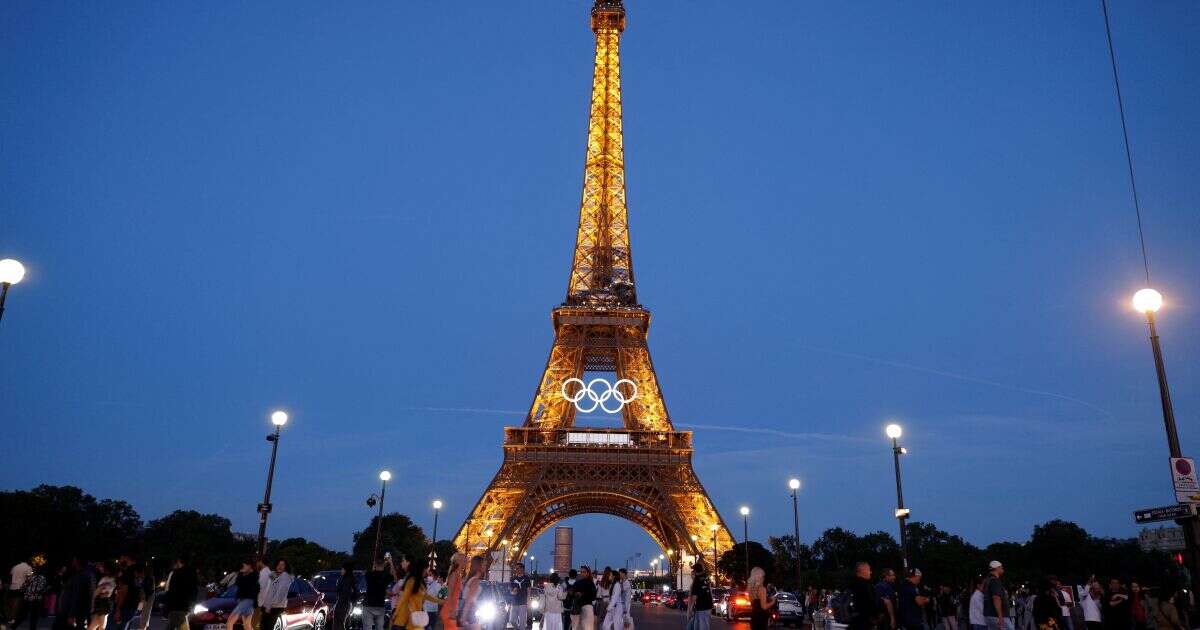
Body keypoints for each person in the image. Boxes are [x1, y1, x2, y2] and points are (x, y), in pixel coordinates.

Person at [392, 558, 442, 630]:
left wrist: (441, 601)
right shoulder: (412, 581)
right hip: (407, 618)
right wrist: (396, 613)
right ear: (423, 569)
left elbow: (426, 596)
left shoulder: (420, 582)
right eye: (427, 569)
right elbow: (403, 598)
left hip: (416, 618)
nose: (427, 571)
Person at [164, 555, 198, 630]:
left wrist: (167, 606)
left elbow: (171, 590)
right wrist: (193, 603)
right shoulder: (193, 573)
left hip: (176, 605)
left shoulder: (176, 573)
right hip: (187, 605)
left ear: (179, 561)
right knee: (182, 625)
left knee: (172, 625)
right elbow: (194, 590)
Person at [15, 558, 48, 630]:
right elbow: (41, 589)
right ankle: (14, 626)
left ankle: (13, 627)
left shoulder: (32, 576)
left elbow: (24, 586)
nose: (33, 570)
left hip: (29, 598)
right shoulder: (41, 578)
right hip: (34, 600)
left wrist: (23, 590)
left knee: (24, 616)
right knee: (32, 617)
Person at [260, 560, 293, 630]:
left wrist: (268, 607)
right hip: (266, 605)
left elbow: (279, 593)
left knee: (268, 627)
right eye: (278, 564)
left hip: (275, 606)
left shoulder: (285, 577)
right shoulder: (273, 575)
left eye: (282, 565)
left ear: (286, 567)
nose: (280, 566)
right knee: (262, 626)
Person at [228, 560, 261, 630]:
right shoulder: (246, 574)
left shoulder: (254, 577)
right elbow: (238, 583)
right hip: (246, 600)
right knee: (247, 624)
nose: (243, 567)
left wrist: (241, 574)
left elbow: (244, 585)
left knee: (230, 621)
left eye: (244, 565)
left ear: (250, 566)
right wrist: (241, 573)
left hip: (247, 600)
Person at [848, 562, 881, 630]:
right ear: (863, 570)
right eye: (869, 570)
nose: (870, 572)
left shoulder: (850, 584)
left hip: (853, 621)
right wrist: (876, 616)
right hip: (865, 622)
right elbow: (871, 602)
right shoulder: (866, 585)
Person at [439, 554, 466, 630]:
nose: (466, 562)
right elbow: (450, 593)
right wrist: (452, 610)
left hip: (452, 608)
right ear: (458, 561)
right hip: (450, 610)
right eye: (464, 560)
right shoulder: (454, 574)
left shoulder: (457, 574)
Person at [363, 559, 391, 630]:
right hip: (380, 605)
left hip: (368, 605)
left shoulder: (369, 575)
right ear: (383, 566)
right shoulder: (385, 576)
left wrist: (374, 567)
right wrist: (389, 563)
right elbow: (392, 576)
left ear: (375, 565)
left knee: (367, 627)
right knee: (379, 627)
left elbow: (367, 572)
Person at [685, 561, 714, 630]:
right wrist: (712, 604)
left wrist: (689, 611)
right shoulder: (707, 578)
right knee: (697, 626)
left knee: (701, 627)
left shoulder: (696, 581)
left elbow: (694, 598)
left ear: (695, 571)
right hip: (708, 607)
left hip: (701, 607)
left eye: (693, 571)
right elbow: (710, 590)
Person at [982, 562, 1009, 630]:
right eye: (1001, 567)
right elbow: (996, 598)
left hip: (989, 615)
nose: (1003, 568)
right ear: (997, 568)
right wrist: (1000, 616)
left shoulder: (988, 580)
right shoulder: (995, 581)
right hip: (996, 616)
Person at [10, 556, 35, 625]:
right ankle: (14, 618)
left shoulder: (15, 567)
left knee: (12, 602)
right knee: (18, 603)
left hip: (12, 586)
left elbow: (11, 575)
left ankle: (12, 617)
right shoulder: (28, 567)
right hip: (21, 587)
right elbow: (30, 578)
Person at [508, 564, 532, 630]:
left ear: (522, 569)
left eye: (518, 568)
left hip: (523, 603)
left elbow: (529, 590)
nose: (516, 569)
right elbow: (510, 590)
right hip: (514, 602)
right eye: (516, 568)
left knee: (522, 623)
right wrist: (513, 592)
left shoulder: (526, 578)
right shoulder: (512, 578)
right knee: (512, 620)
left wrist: (528, 600)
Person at [254, 558, 271, 630]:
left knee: (255, 625)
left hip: (260, 603)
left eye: (257, 562)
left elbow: (260, 588)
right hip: (265, 603)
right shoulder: (269, 572)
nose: (256, 564)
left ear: (261, 562)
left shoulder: (263, 573)